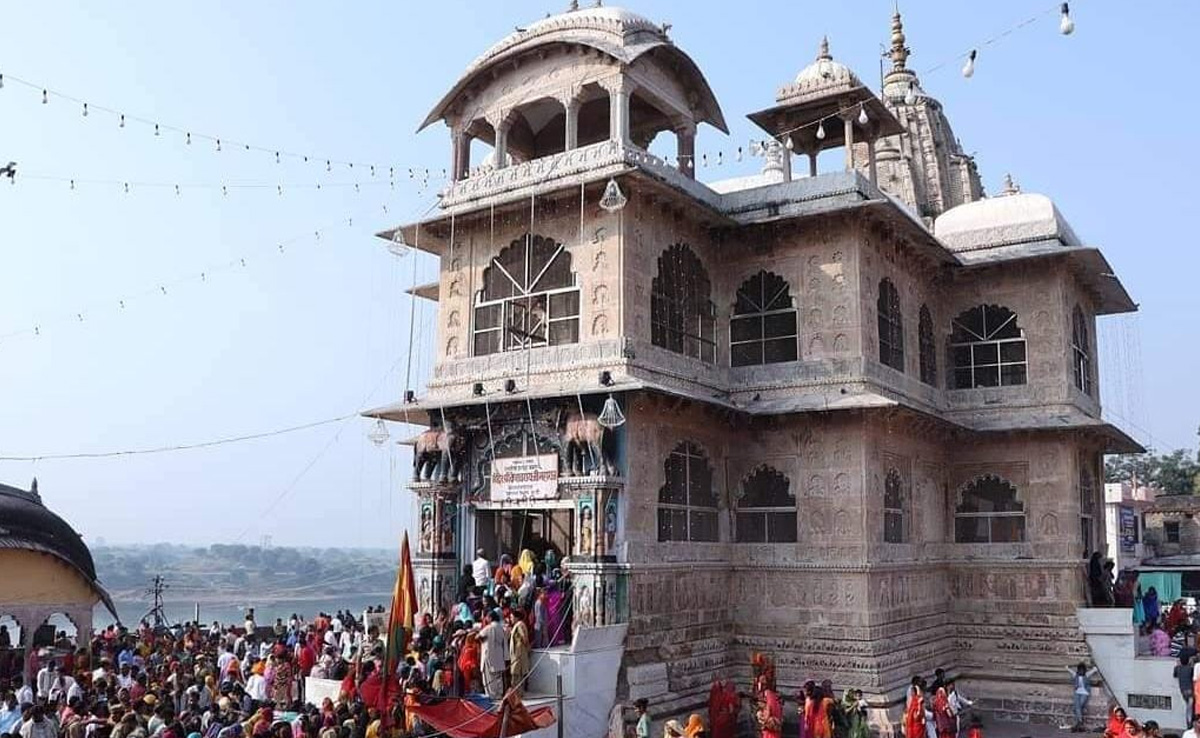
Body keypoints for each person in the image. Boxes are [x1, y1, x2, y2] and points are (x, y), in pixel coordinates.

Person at [477, 613, 506, 699]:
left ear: (490, 618)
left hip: (489, 656)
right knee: (498, 677)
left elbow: (478, 636)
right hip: (499, 656)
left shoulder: (489, 628)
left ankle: (491, 696)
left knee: (489, 678)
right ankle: (499, 695)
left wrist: (482, 640)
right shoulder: (501, 628)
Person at [1065, 662, 1098, 732]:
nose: (1081, 671)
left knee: (1079, 706)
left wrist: (1094, 667)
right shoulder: (1075, 675)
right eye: (1080, 670)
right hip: (1077, 692)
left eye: (1082, 670)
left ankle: (1078, 723)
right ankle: (1080, 722)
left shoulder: (1087, 675)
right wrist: (1067, 668)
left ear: (1084, 670)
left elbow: (1094, 670)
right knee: (1077, 707)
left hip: (1085, 692)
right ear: (1078, 670)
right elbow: (1070, 671)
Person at [507, 609, 531, 698]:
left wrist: (523, 649)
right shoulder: (516, 625)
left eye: (512, 617)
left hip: (519, 654)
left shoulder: (520, 625)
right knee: (516, 675)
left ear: (516, 617)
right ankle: (517, 694)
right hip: (517, 654)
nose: (510, 619)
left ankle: (517, 695)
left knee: (516, 675)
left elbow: (524, 638)